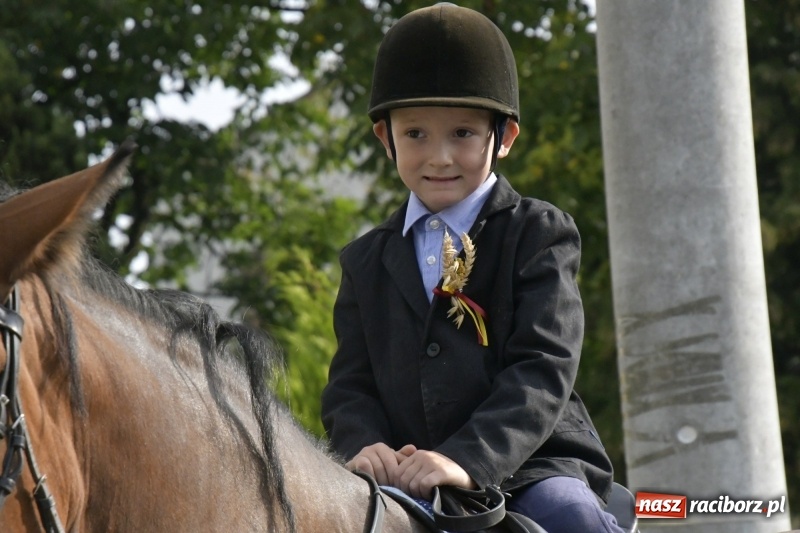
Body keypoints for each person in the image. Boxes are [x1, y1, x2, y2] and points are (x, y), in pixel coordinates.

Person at [321, 4, 623, 532]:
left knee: (570, 515)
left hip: (530, 467)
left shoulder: (538, 233)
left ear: (503, 137)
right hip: (403, 474)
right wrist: (363, 444)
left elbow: (543, 365)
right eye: (415, 134)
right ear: (384, 137)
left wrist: (467, 458)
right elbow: (351, 383)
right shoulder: (364, 260)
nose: (439, 157)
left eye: (462, 133)